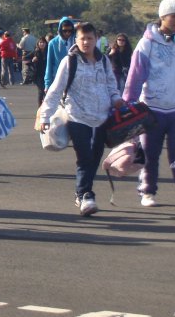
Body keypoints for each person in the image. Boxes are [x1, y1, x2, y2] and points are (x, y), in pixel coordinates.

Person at [38, 22, 123, 216]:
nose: (86, 42)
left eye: (90, 38)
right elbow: (55, 89)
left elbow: (111, 85)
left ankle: (82, 192)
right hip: (77, 116)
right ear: (76, 40)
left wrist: (117, 99)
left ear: (96, 40)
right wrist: (45, 115)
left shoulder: (103, 61)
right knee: (84, 157)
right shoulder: (70, 61)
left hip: (101, 118)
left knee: (94, 158)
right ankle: (85, 194)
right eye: (82, 38)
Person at [124, 0, 175, 209]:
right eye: (174, 16)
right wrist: (128, 105)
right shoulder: (146, 43)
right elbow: (135, 76)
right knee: (150, 154)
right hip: (152, 109)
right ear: (162, 17)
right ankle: (147, 191)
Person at [44, 17, 76, 90]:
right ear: (60, 30)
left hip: (75, 79)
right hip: (58, 78)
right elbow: (49, 64)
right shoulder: (53, 43)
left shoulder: (77, 41)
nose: (67, 33)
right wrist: (47, 84)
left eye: (70, 30)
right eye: (65, 31)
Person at [31, 36, 48, 106]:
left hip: (46, 74)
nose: (42, 44)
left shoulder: (48, 51)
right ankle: (40, 107)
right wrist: (33, 60)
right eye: (40, 42)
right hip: (38, 74)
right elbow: (25, 58)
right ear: (38, 44)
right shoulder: (36, 52)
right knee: (41, 91)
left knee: (47, 91)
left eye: (43, 42)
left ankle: (46, 106)